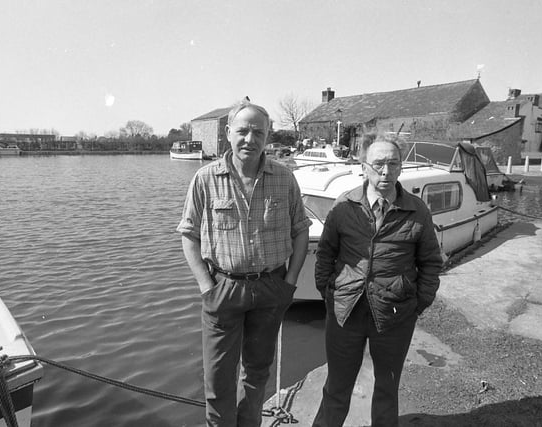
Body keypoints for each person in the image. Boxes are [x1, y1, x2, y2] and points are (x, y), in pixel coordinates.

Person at [177, 100, 311, 426]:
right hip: (223, 288)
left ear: (267, 136)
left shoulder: (284, 178)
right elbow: (189, 236)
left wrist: (289, 282)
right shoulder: (205, 179)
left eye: (258, 132)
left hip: (270, 288)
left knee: (257, 373)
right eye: (243, 131)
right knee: (218, 380)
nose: (250, 139)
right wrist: (206, 287)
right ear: (228, 134)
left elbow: (301, 232)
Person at [312, 133, 443, 427]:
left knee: (387, 388)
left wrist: (417, 305)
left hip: (395, 314)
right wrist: (330, 294)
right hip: (345, 312)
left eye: (393, 164)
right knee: (336, 387)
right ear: (364, 167)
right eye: (378, 164)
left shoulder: (417, 210)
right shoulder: (344, 206)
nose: (386, 172)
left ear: (401, 168)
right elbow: (325, 255)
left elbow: (431, 263)